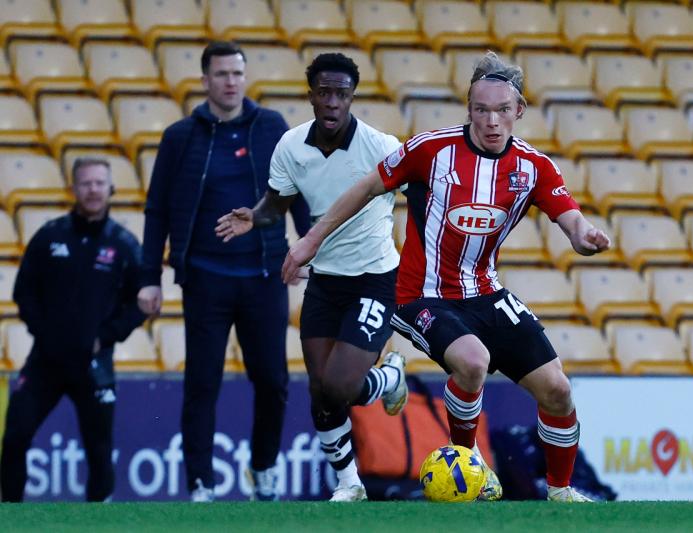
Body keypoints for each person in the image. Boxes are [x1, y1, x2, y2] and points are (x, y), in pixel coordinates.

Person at [281, 52, 611, 503]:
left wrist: (583, 234)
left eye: (501, 110)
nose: (491, 120)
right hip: (420, 294)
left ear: (519, 111)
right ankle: (469, 464)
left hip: (485, 291)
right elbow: (365, 187)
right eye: (480, 109)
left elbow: (569, 217)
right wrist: (311, 240)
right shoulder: (430, 150)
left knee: (557, 390)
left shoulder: (534, 167)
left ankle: (560, 491)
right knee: (472, 362)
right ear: (469, 108)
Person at [215, 52, 408, 502]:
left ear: (352, 97)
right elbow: (276, 207)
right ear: (312, 96)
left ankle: (390, 377)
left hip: (374, 278)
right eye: (325, 93)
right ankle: (349, 484)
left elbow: (419, 195)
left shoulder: (381, 147)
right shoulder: (291, 146)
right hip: (324, 280)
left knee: (342, 384)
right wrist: (255, 216)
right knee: (321, 390)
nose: (333, 102)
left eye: (342, 94)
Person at [136, 41, 310, 502]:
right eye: (222, 74)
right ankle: (200, 483)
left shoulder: (272, 126)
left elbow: (300, 192)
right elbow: (156, 210)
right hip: (205, 277)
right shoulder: (180, 136)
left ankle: (265, 468)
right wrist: (149, 276)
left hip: (263, 275)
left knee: (273, 381)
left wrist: (312, 250)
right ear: (205, 81)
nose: (231, 82)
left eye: (237, 73)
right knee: (202, 383)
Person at [0, 158, 145, 502]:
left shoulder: (124, 245)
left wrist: (105, 337)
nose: (93, 190)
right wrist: (46, 334)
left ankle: (97, 522)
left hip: (94, 365)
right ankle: (10, 515)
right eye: (85, 183)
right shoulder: (49, 236)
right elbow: (24, 292)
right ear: (72, 189)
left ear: (111, 189)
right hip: (45, 362)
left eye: (99, 183)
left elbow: (140, 304)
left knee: (99, 449)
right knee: (16, 435)